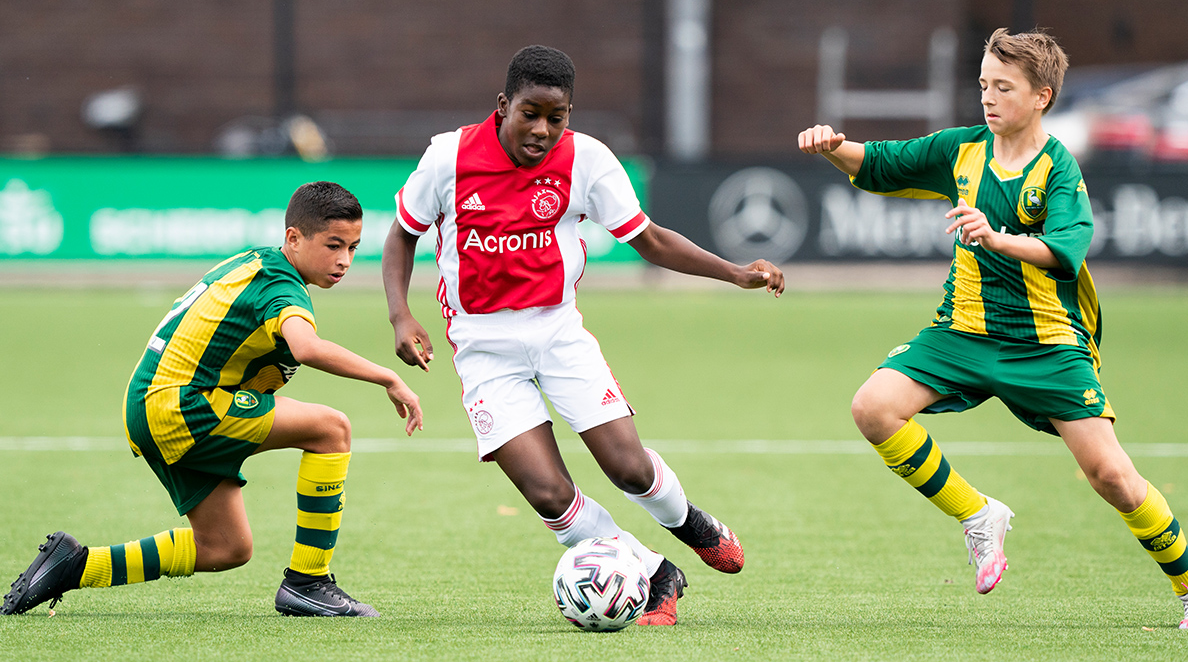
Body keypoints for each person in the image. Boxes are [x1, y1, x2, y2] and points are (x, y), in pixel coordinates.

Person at [797, 28, 1188, 630]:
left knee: (1112, 477)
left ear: (1042, 96)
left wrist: (996, 237)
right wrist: (833, 146)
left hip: (1046, 344)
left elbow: (1067, 247)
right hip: (964, 331)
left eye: (1003, 88)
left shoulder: (1056, 168)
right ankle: (978, 516)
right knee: (873, 408)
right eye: (982, 86)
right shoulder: (962, 148)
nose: (988, 99)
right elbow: (877, 165)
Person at [383, 45, 785, 626]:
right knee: (548, 495)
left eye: (558, 116)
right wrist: (401, 314)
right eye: (531, 113)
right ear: (503, 106)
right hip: (481, 348)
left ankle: (690, 524)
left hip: (557, 333)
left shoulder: (588, 161)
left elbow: (649, 239)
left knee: (628, 468)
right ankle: (653, 571)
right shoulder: (448, 157)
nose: (543, 129)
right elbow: (402, 234)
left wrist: (734, 271)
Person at [2, 181, 423, 618]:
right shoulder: (281, 286)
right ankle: (308, 583)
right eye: (333, 245)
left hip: (154, 406)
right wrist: (388, 377)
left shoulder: (260, 262)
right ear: (294, 238)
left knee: (225, 547)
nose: (344, 260)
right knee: (331, 429)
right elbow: (307, 348)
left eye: (354, 248)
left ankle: (74, 565)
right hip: (181, 407)